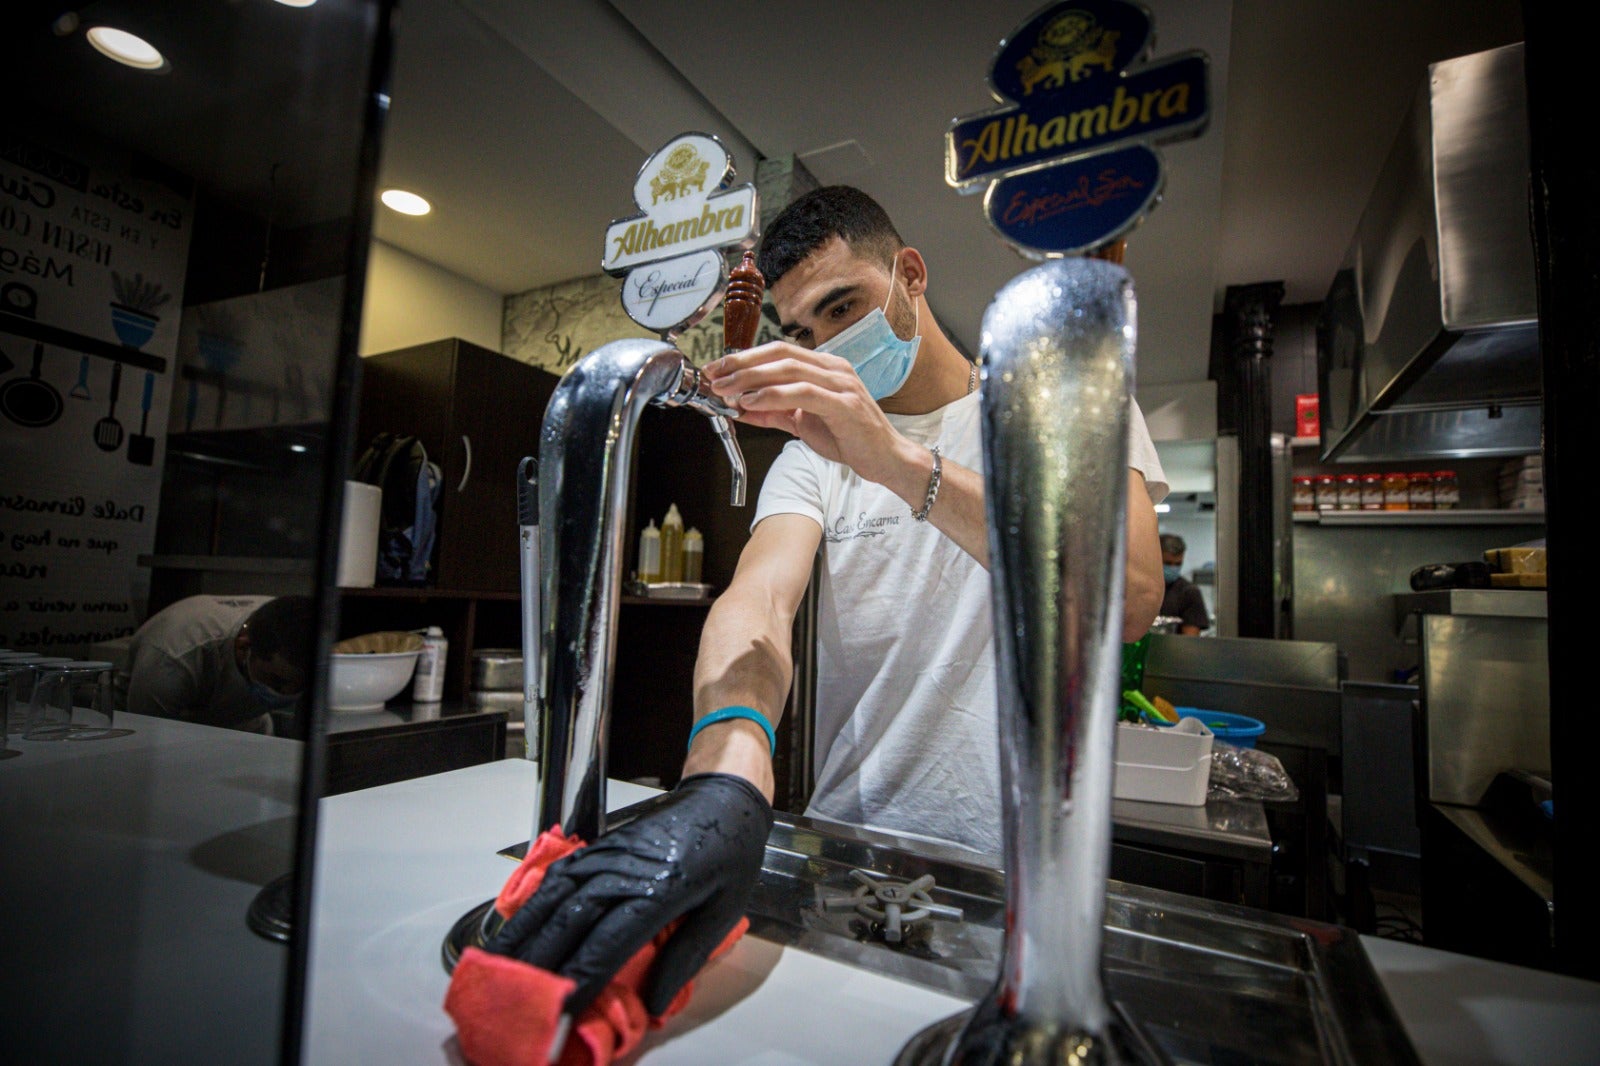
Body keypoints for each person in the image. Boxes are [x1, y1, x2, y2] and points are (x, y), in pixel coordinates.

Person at [485, 186, 1167, 1020]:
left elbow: (1127, 597)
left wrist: (895, 461)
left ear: (910, 274)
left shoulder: (1054, 408)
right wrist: (726, 770)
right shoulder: (814, 454)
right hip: (853, 859)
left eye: (844, 305)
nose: (829, 342)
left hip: (1023, 873)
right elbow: (759, 599)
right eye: (803, 329)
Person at [124, 594, 313, 733]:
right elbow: (146, 742)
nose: (286, 694)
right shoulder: (175, 657)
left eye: (300, 685)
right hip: (169, 727)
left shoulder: (291, 622)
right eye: (276, 681)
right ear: (244, 647)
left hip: (245, 723)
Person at [1158, 533, 1210, 635]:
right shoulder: (1138, 589)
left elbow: (1191, 639)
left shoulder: (1189, 592)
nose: (1173, 568)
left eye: (1178, 564)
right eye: (1167, 563)